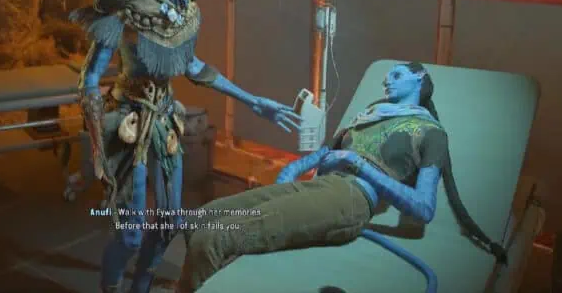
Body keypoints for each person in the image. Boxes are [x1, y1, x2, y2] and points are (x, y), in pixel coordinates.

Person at [70, 0, 301, 293]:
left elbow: (192, 65)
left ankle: (141, 288)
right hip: (128, 120)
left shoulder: (183, 5)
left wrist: (253, 100)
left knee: (167, 226)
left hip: (164, 121)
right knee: (130, 235)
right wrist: (96, 144)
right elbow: (89, 78)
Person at [175, 62, 507, 292]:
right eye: (386, 77)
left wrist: (358, 165)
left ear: (419, 79)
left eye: (396, 75)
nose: (386, 81)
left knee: (214, 238)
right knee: (200, 219)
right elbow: (317, 158)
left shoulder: (430, 132)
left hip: (353, 198)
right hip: (320, 188)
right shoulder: (367, 117)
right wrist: (287, 181)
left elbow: (424, 208)